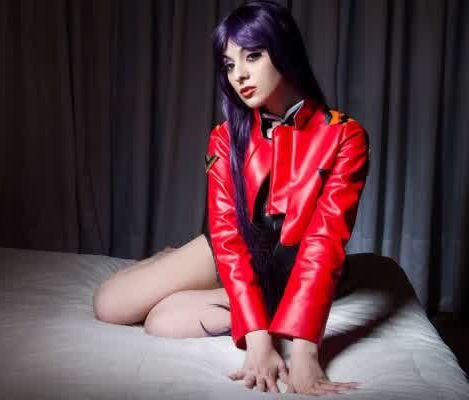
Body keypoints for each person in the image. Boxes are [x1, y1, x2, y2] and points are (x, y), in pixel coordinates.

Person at [93, 0, 370, 396]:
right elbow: (227, 236)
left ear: (284, 50)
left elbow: (324, 242)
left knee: (161, 322)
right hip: (234, 251)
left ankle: (256, 302)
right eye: (228, 64)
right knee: (108, 304)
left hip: (292, 269)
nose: (238, 74)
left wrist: (305, 352)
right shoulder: (224, 137)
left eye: (252, 56)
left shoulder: (345, 135)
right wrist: (258, 340)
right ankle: (172, 261)